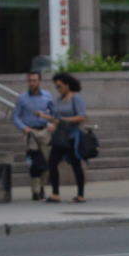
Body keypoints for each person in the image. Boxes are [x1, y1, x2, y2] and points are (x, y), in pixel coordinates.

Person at [38, 72, 88, 203]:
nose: (58, 89)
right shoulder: (58, 100)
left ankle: (81, 194)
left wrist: (65, 120)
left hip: (72, 136)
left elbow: (82, 116)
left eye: (59, 86)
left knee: (76, 165)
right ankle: (55, 194)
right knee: (52, 162)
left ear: (67, 85)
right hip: (60, 137)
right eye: (56, 87)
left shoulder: (76, 98)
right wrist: (44, 117)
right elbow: (56, 118)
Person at [11, 70, 54, 200]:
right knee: (34, 161)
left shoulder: (47, 96)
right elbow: (15, 116)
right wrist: (23, 127)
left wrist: (52, 123)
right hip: (31, 132)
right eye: (30, 80)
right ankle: (35, 190)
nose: (32, 83)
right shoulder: (22, 98)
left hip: (45, 131)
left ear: (39, 81)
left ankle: (42, 186)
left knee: (47, 161)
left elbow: (54, 114)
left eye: (35, 80)